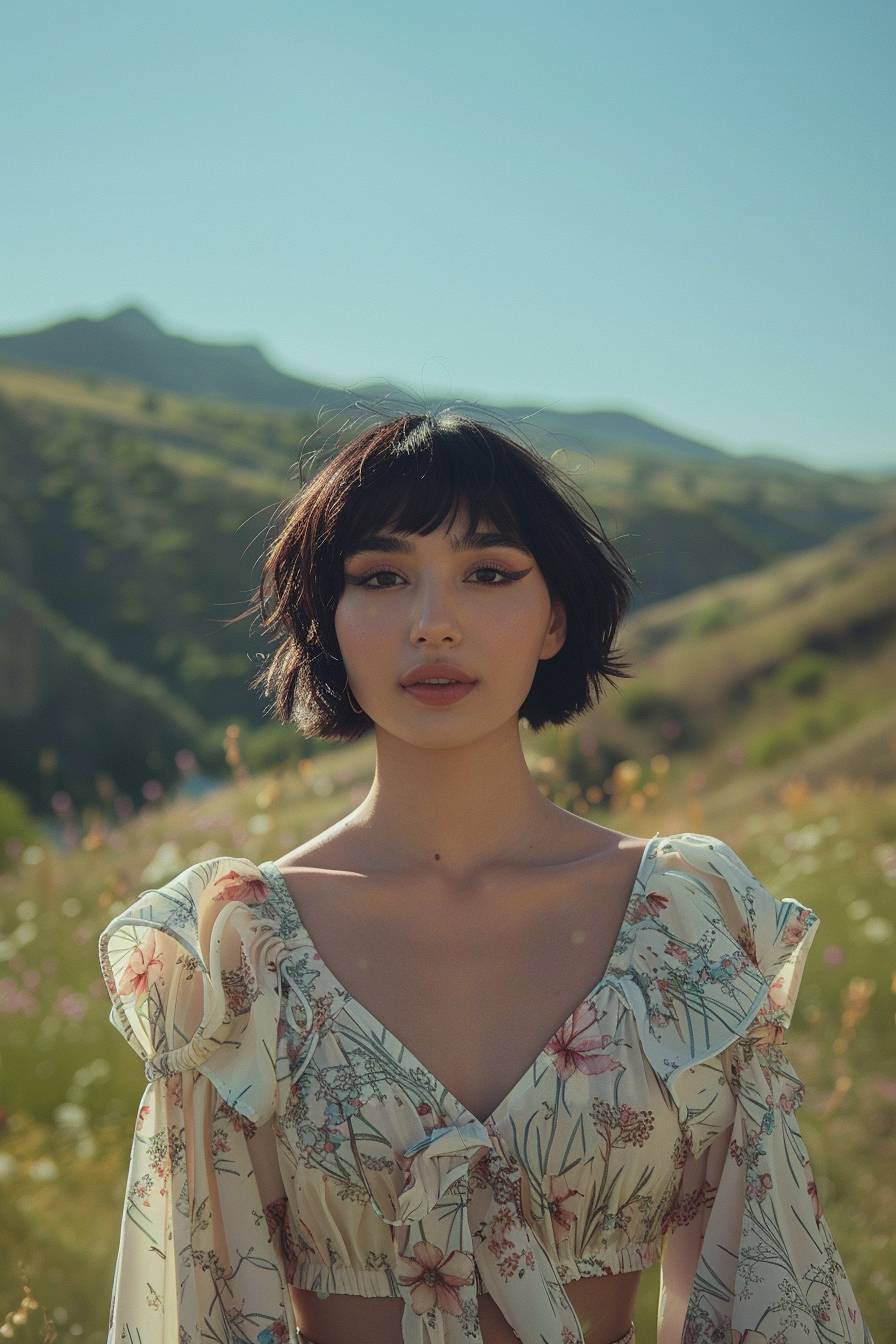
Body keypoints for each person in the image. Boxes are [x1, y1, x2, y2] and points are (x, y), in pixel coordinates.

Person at [98, 412, 873, 1343]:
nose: (434, 623)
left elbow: (767, 1292)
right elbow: (199, 1310)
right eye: (381, 578)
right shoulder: (234, 955)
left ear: (555, 618)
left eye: (490, 574)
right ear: (327, 619)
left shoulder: (685, 924)